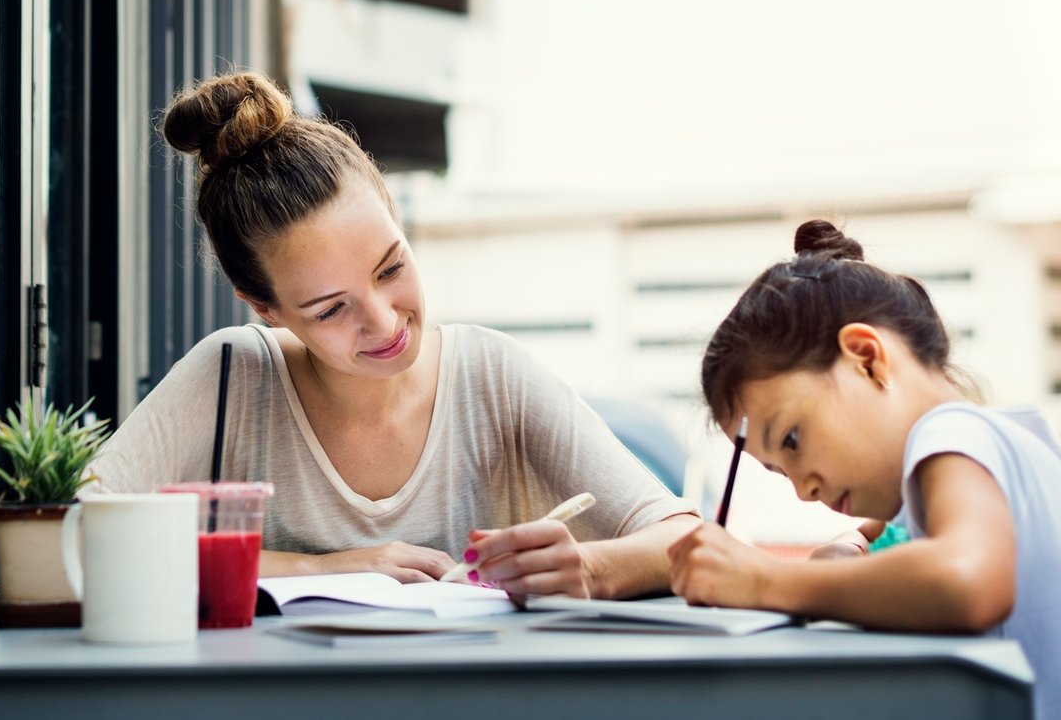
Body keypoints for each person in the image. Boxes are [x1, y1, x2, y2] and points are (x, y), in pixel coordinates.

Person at [89, 71, 697, 598]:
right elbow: (78, 538)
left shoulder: (491, 376)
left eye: (391, 268)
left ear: (397, 218)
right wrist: (324, 570)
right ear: (265, 307)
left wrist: (588, 567)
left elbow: (689, 538)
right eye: (331, 309)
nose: (384, 322)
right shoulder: (230, 377)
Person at [667, 220, 1061, 720]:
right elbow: (891, 528)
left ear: (867, 359)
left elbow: (967, 582)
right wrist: (852, 548)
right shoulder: (1001, 437)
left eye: (792, 439)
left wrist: (764, 582)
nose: (804, 490)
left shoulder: (949, 438)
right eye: (777, 471)